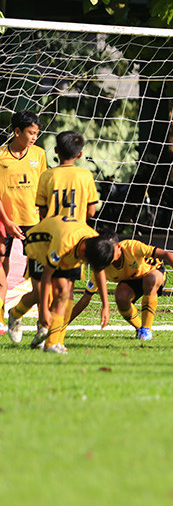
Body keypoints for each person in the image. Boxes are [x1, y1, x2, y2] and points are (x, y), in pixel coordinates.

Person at [8, 130, 100, 346]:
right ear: (80, 154)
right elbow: (92, 212)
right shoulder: (86, 176)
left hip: (49, 236)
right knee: (53, 291)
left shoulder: (47, 176)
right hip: (73, 240)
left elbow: (42, 211)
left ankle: (51, 337)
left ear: (56, 151)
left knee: (53, 290)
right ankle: (20, 315)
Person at [69, 238, 173, 340]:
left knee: (150, 280)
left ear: (119, 247)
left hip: (153, 273)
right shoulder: (101, 266)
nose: (109, 257)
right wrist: (62, 324)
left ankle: (147, 329)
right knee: (120, 296)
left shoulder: (132, 247)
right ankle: (140, 328)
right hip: (131, 281)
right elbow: (86, 298)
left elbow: (168, 255)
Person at [22, 215, 116, 353]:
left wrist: (106, 306)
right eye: (86, 262)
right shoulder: (64, 243)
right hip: (39, 246)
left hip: (66, 247)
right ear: (83, 252)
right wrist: (43, 311)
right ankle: (16, 314)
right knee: (39, 293)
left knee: (63, 293)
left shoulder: (94, 240)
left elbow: (99, 271)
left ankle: (53, 343)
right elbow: (46, 275)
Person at [1, 109, 46, 342]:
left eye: (36, 133)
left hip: (34, 222)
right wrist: (7, 221)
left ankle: (25, 316)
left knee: (38, 273)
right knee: (2, 266)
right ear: (17, 131)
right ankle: (1, 313)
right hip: (5, 221)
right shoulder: (1, 156)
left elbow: (43, 188)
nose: (33, 137)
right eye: (30, 133)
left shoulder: (39, 154)